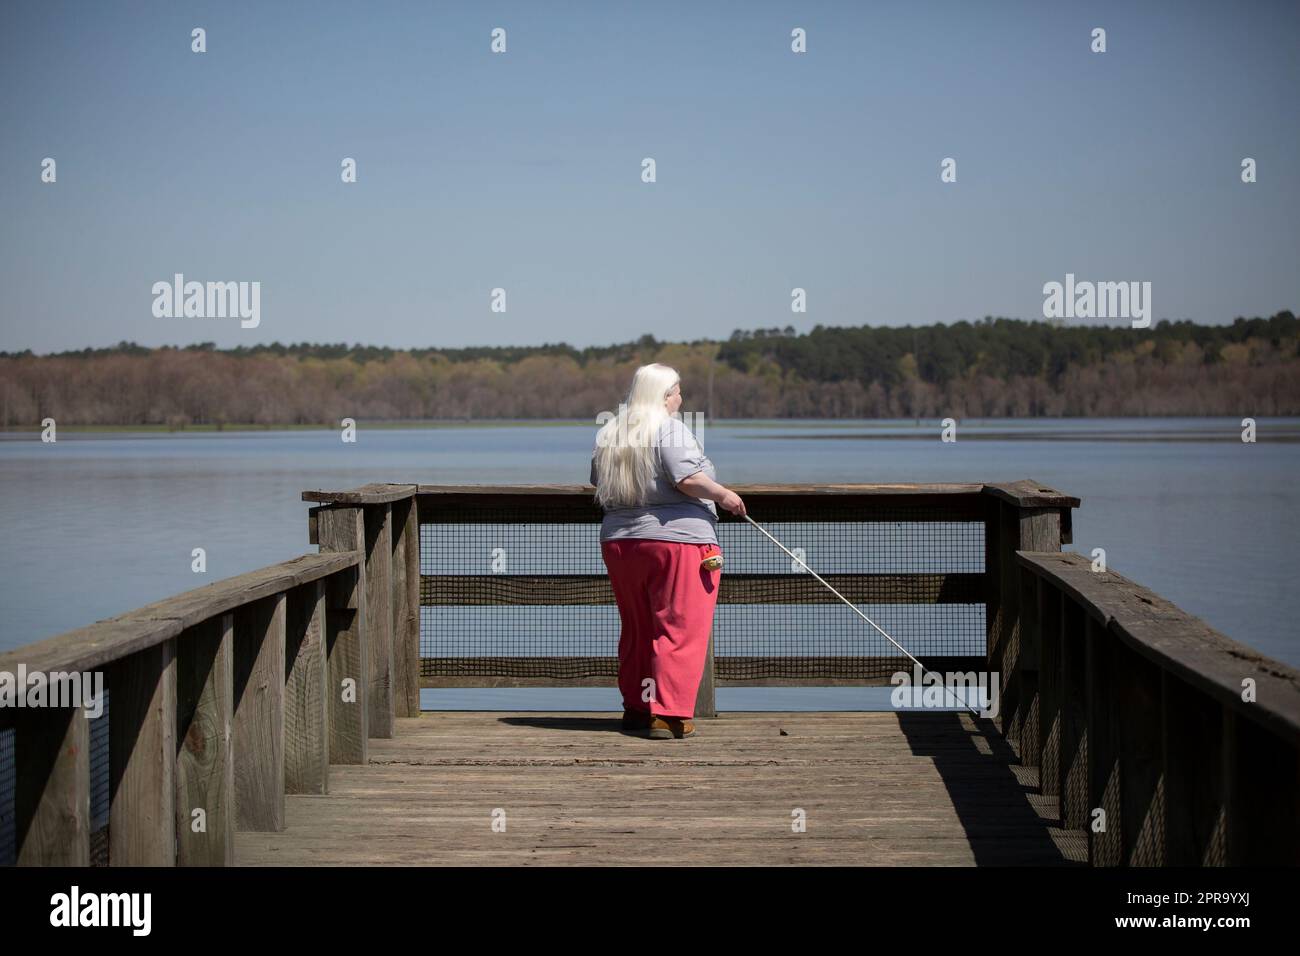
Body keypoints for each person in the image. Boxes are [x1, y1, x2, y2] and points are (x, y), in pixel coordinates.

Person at [588, 363, 746, 739]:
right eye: (677, 390)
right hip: (678, 542)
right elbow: (687, 478)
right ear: (663, 396)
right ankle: (669, 713)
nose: (681, 397)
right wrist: (724, 495)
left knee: (639, 626)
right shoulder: (671, 429)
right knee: (679, 625)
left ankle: (639, 707)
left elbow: (597, 479)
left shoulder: (613, 431)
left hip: (622, 543)